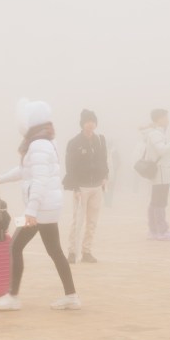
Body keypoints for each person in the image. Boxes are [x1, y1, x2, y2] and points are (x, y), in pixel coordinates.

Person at [0, 100, 80, 310]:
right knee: (55, 250)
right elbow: (25, 171)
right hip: (45, 208)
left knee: (15, 246)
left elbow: (39, 180)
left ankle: (12, 297)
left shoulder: (38, 144)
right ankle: (71, 296)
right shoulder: (43, 142)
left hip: (39, 210)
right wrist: (0, 178)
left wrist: (31, 210)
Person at [63, 109, 108, 264]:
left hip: (97, 187)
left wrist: (105, 177)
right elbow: (70, 167)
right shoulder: (74, 142)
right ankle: (72, 252)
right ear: (82, 124)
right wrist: (75, 187)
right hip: (81, 188)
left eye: (93, 121)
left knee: (92, 221)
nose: (90, 124)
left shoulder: (100, 140)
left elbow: (104, 160)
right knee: (78, 221)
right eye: (88, 121)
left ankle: (86, 251)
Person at [140, 108, 170, 240]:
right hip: (161, 173)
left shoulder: (157, 133)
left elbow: (164, 152)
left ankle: (154, 230)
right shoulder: (156, 134)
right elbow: (162, 150)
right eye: (166, 117)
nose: (168, 120)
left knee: (155, 201)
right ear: (159, 119)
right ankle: (162, 231)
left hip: (162, 172)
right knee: (160, 202)